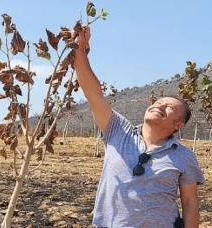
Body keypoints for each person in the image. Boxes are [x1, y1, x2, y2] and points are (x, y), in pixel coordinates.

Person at [74, 25, 205, 228]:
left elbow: (190, 202)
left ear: (178, 125)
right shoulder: (118, 131)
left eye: (169, 107)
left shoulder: (184, 157)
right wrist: (80, 49)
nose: (160, 105)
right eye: (158, 102)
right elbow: (94, 94)